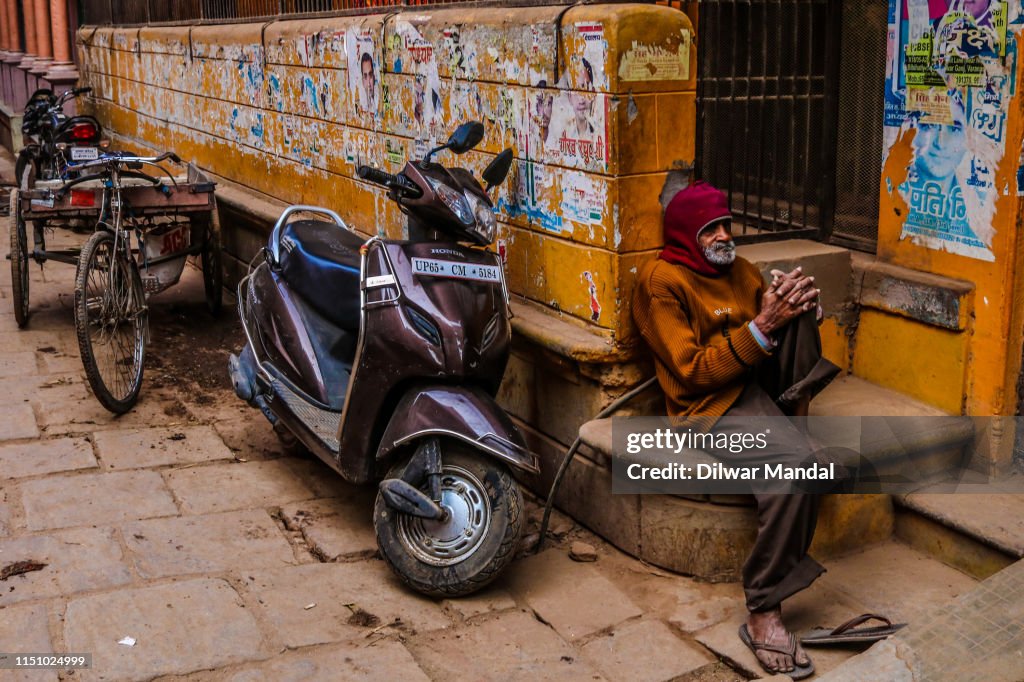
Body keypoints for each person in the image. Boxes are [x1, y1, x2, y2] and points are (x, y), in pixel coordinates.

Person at [632, 180, 840, 679]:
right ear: (687, 233)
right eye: (711, 229)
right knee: (798, 471)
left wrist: (800, 307)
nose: (725, 235)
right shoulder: (661, 283)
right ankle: (763, 607)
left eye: (727, 224)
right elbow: (692, 371)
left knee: (794, 312)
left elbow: (771, 323)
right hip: (708, 406)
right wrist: (764, 326)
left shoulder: (739, 269)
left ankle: (792, 430)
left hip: (753, 386)